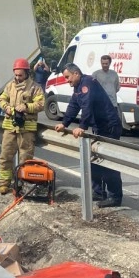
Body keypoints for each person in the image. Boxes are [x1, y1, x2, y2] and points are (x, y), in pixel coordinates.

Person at [54, 63, 124, 208]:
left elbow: (87, 106)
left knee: (109, 163)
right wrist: (65, 123)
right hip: (99, 126)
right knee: (95, 160)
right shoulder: (78, 87)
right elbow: (74, 105)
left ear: (76, 74)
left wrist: (82, 127)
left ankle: (115, 196)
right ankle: (98, 192)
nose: (67, 80)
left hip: (109, 126)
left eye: (68, 77)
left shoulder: (87, 83)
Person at [0, 58, 45, 195]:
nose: (17, 78)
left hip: (26, 129)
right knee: (5, 156)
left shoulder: (35, 87)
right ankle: (4, 184)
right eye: (16, 75)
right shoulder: (9, 86)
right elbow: (1, 99)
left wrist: (26, 107)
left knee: (26, 159)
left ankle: (24, 184)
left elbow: (40, 104)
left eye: (20, 75)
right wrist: (7, 108)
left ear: (27, 73)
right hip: (10, 127)